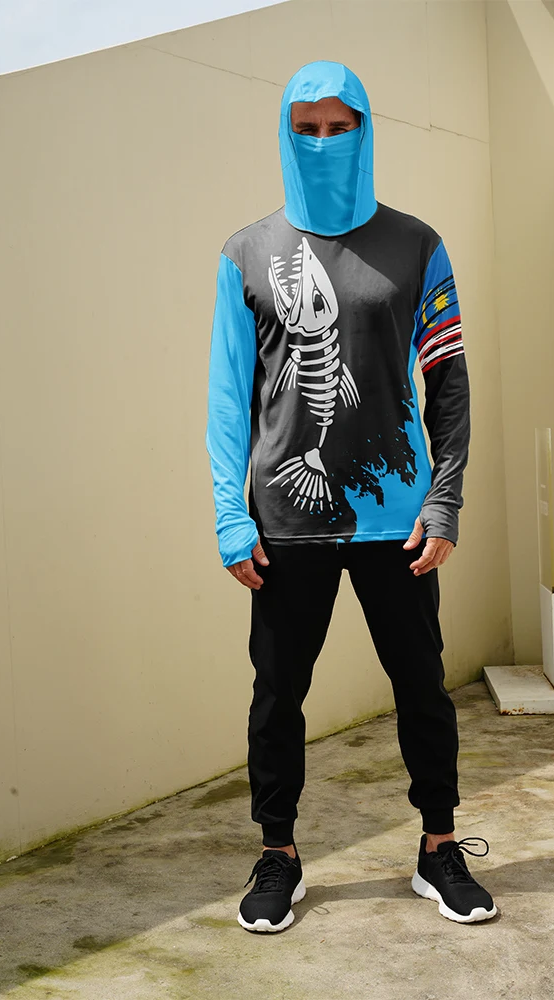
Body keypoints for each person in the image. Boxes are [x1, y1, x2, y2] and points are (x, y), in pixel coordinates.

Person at [205, 60, 496, 933]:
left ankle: (438, 845)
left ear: (367, 130)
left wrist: (444, 501)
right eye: (308, 129)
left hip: (397, 519)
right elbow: (228, 396)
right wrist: (229, 512)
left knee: (422, 688)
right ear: (285, 133)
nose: (324, 142)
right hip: (284, 524)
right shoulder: (245, 252)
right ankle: (279, 854)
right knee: (276, 696)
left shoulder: (418, 245)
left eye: (340, 126)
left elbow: (448, 383)